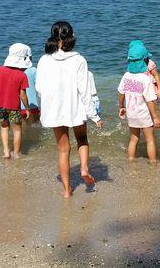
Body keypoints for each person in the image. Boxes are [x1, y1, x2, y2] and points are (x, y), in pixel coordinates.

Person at [36, 21, 103, 198]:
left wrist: (47, 106)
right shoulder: (79, 60)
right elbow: (84, 90)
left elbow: (40, 88)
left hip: (55, 110)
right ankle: (83, 169)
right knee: (82, 139)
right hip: (76, 108)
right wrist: (94, 115)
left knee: (63, 150)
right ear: (72, 37)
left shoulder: (44, 60)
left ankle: (66, 191)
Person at [118, 40, 160, 164]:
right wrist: (156, 117)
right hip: (144, 114)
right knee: (150, 140)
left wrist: (121, 107)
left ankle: (131, 159)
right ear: (144, 60)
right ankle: (153, 161)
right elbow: (150, 101)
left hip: (131, 113)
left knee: (133, 139)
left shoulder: (126, 76)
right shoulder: (145, 79)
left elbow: (121, 93)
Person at [21, 48, 40, 122]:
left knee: (22, 127)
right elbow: (39, 85)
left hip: (19, 106)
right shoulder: (33, 70)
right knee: (35, 125)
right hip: (32, 105)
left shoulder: (16, 72)